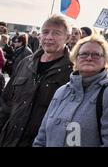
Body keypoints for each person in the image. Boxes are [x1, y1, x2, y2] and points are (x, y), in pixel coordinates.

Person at [33, 34, 108, 147]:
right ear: (75, 59)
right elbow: (42, 136)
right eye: (83, 54)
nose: (89, 58)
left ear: (105, 61)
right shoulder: (61, 91)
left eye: (96, 55)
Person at [0, 15, 73, 147]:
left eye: (56, 33)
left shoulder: (73, 71)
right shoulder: (26, 63)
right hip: (9, 140)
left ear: (67, 38)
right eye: (45, 32)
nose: (49, 37)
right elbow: (5, 101)